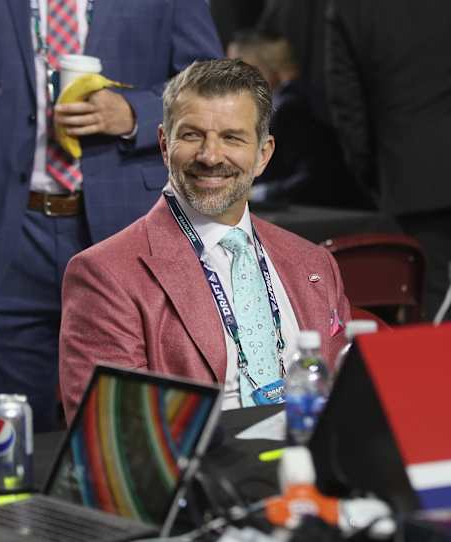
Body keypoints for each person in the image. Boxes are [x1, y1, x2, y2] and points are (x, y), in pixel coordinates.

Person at [0, 0, 222, 435]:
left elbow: (212, 84)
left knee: (123, 433)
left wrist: (135, 114)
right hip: (6, 235)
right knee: (4, 436)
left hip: (123, 230)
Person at [60, 58, 351, 422]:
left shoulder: (314, 263)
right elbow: (117, 440)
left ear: (263, 155)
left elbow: (346, 404)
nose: (210, 156)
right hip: (203, 474)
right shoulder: (106, 275)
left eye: (232, 137)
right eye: (192, 135)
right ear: (164, 145)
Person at [325, 0, 451, 321]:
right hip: (412, 175)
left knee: (428, 298)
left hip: (411, 175)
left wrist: (373, 174)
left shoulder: (352, 8)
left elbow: (347, 106)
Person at [227, 30, 372, 209]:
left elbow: (314, 175)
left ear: (260, 68)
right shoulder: (297, 101)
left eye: (239, 69)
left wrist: (259, 193)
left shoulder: (292, 108)